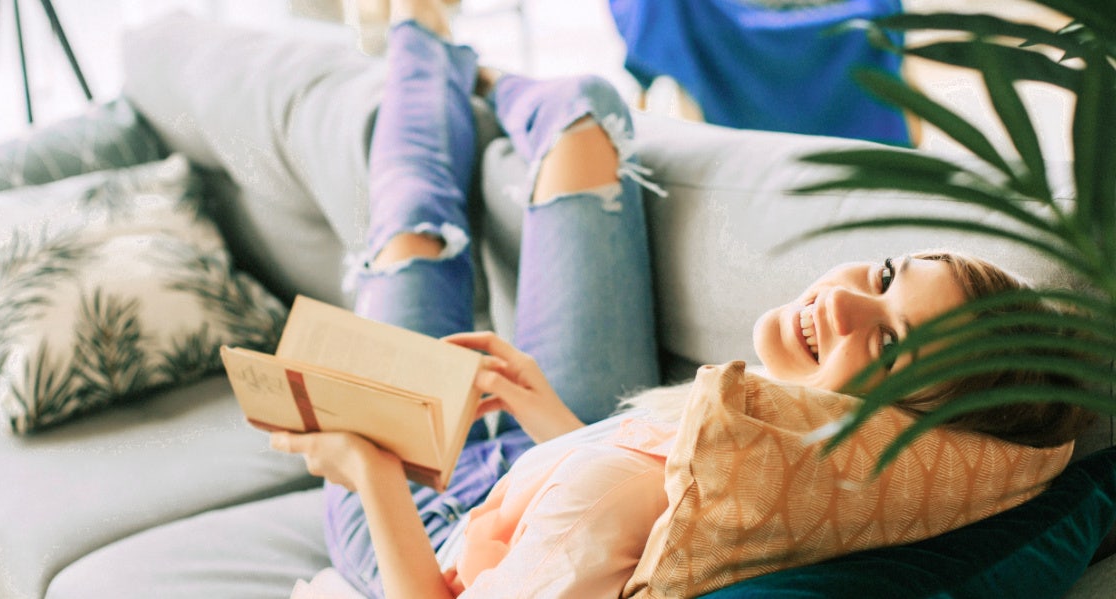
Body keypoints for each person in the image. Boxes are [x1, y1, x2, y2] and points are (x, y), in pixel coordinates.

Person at [270, 1, 1093, 597]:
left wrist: (369, 473)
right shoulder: (755, 444)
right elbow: (632, 514)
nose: (842, 306)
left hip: (423, 542)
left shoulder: (819, 480)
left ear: (893, 430)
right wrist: (551, 419)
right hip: (551, 467)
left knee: (412, 235)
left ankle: (417, 33)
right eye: (882, 274)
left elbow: (579, 539)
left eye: (884, 345)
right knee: (586, 114)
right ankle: (457, 61)